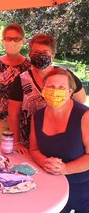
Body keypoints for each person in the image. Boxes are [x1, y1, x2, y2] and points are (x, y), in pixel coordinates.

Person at [8, 33, 86, 155]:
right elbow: (13, 114)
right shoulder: (22, 80)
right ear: (29, 54)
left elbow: (80, 102)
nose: (40, 56)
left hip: (62, 141)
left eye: (45, 52)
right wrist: (16, 142)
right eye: (36, 52)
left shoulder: (66, 76)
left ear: (53, 55)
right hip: (29, 145)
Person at [30, 68, 89, 212]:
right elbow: (34, 149)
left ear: (70, 92)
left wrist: (65, 168)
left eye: (61, 87)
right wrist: (44, 162)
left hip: (82, 187)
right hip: (51, 186)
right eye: (50, 86)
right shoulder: (37, 116)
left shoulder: (84, 116)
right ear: (43, 89)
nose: (55, 91)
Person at [0, 23, 30, 144]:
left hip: (20, 120)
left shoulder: (29, 67)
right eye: (8, 38)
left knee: (19, 156)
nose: (12, 42)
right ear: (3, 41)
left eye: (16, 39)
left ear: (22, 41)